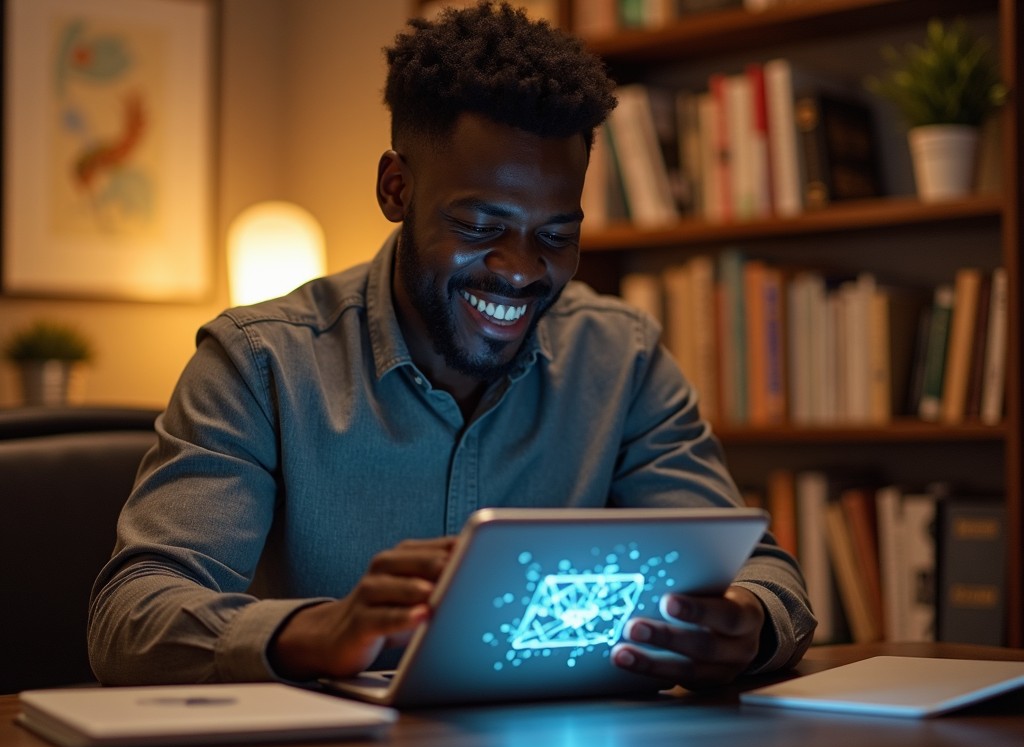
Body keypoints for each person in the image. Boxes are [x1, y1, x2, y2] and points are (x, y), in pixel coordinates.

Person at [88, 1, 815, 691]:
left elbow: (766, 577)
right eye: (479, 227)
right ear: (396, 189)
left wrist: (744, 625)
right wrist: (316, 631)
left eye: (557, 236)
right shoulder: (259, 363)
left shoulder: (621, 359)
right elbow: (130, 618)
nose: (522, 269)